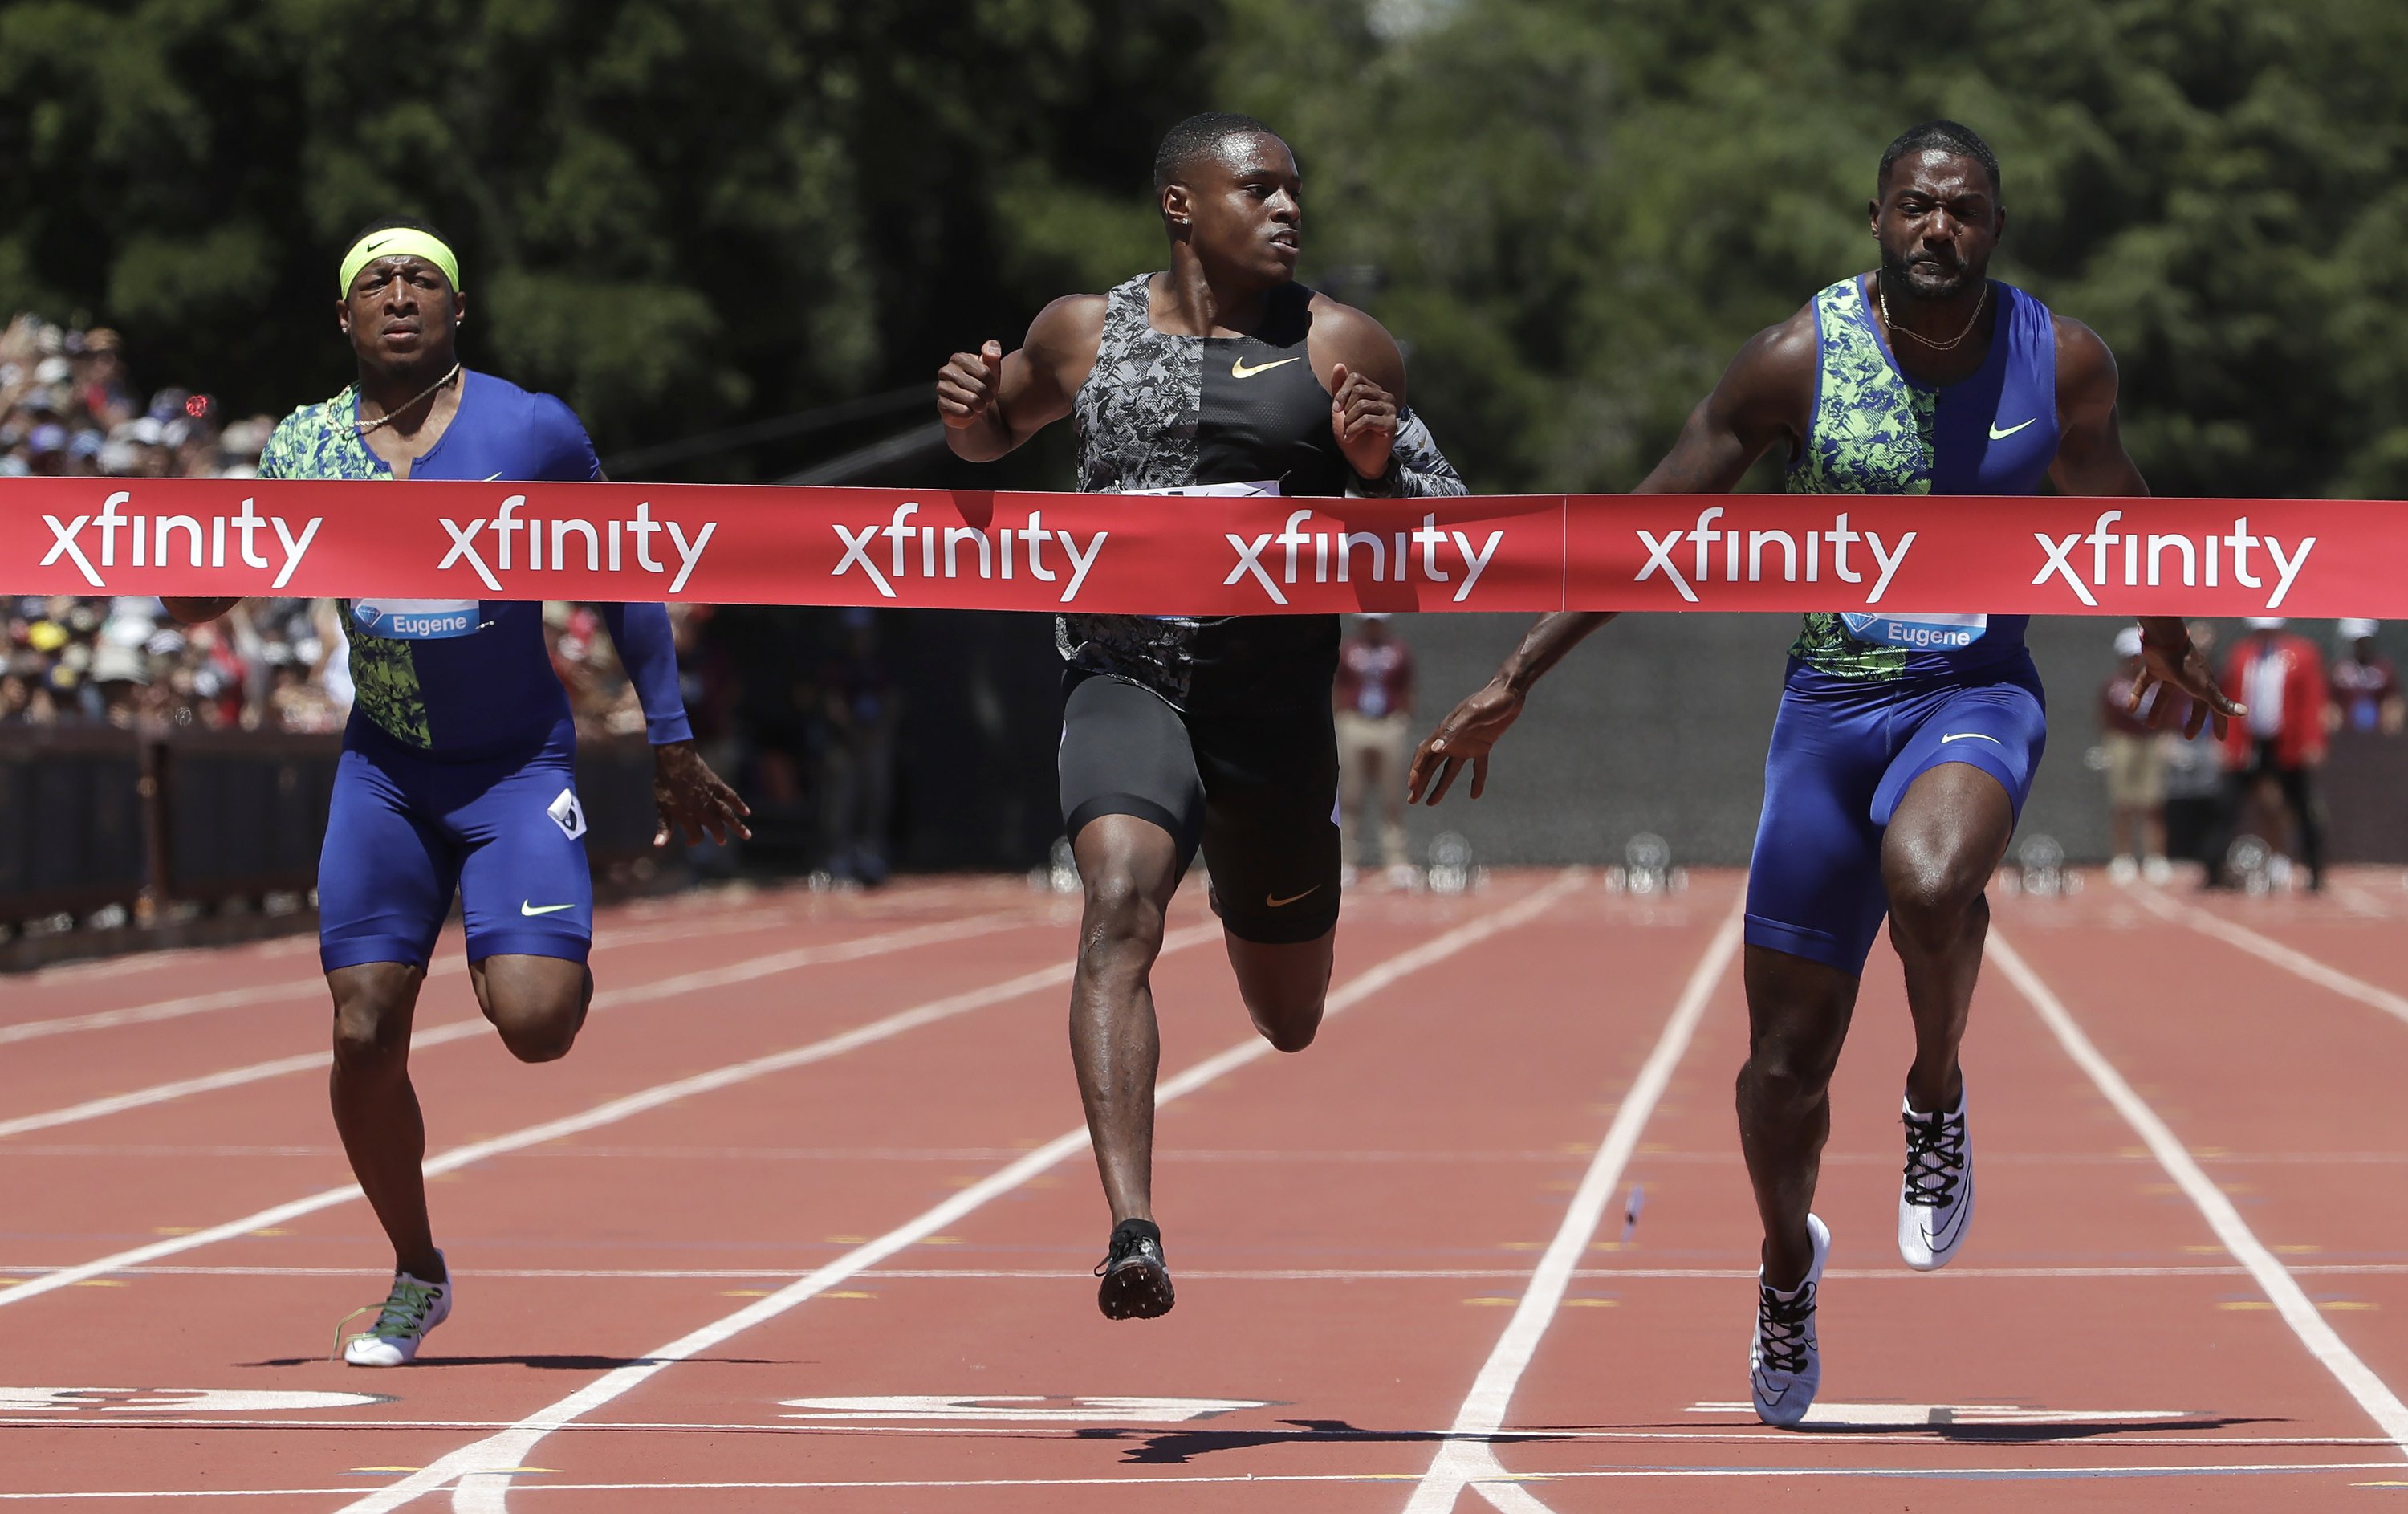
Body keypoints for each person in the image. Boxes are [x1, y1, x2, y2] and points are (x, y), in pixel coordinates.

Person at [1404, 122, 2234, 1423]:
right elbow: (1650, 521)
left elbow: (2108, 490)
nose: (1937, 230)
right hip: (1829, 718)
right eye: (1916, 207)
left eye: (1963, 210)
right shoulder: (1798, 360)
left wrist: (2170, 625)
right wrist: (1516, 676)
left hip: (1975, 693)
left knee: (1934, 874)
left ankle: (1937, 1095)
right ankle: (1789, 1262)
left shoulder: (2057, 356)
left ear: (1994, 229)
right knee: (1783, 1069)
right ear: (1877, 219)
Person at [165, 219, 749, 1366]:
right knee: (362, 1027)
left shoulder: (531, 427)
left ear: (456, 311)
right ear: (343, 317)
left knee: (536, 1023)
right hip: (385, 768)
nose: (397, 295)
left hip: (515, 765)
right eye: (374, 282)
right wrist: (157, 562)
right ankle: (416, 1270)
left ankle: (510, 926)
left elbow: (626, 572)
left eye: (420, 280)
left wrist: (668, 737)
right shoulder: (307, 447)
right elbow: (214, 587)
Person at [935, 112, 1463, 1318]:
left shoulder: (1338, 341)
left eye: (1295, 192)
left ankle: (1261, 905)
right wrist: (966, 410)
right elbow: (988, 432)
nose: (1287, 210)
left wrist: (1376, 467)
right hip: (1127, 676)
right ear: (1183, 206)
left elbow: (1451, 522)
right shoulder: (1085, 331)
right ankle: (1133, 1227)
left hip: (1271, 708)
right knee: (1117, 899)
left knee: (1288, 1017)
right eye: (1258, 188)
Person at [2203, 617, 2326, 891]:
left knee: (2302, 808)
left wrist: (2312, 740)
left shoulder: (2301, 655)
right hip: (2249, 743)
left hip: (2286, 743)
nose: (2265, 635)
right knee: (2227, 806)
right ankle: (2211, 871)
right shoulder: (2242, 655)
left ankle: (2315, 871)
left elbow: (2312, 699)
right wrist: (2224, 740)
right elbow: (2228, 696)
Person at [1334, 613, 1418, 885]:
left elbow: (1408, 685)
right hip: (1355, 723)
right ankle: (1346, 860)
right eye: (1368, 621)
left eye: (1377, 622)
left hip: (1388, 723)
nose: (1372, 627)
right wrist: (1342, 714)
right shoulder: (1349, 650)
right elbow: (1337, 683)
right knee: (1350, 795)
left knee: (1392, 796)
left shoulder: (1398, 651)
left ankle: (1396, 860)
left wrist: (1402, 716)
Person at [2099, 626, 2170, 884]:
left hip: (2151, 742)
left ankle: (2156, 857)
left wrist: (2166, 738)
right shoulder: (2113, 686)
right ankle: (2122, 857)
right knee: (2123, 803)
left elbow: (2168, 715)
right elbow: (2106, 718)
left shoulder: (2159, 684)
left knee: (2152, 804)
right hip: (2123, 742)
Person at [2329, 619, 2403, 737]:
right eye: (2357, 642)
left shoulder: (2383, 669)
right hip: (2346, 731)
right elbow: (2330, 702)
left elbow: (2393, 699)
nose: (2361, 646)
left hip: (2379, 732)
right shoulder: (2339, 670)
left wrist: (2392, 719)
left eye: (2364, 641)